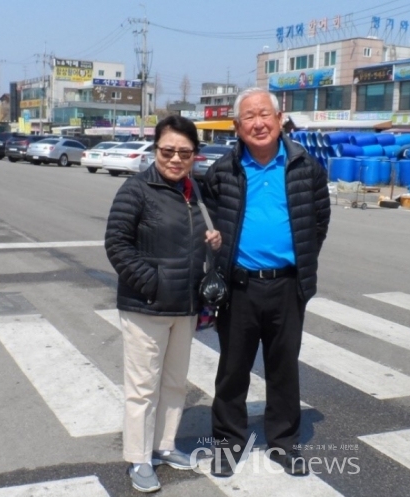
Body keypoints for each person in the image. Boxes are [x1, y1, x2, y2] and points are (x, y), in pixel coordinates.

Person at [203, 87, 330, 477]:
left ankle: (284, 443)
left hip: (288, 286)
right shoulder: (222, 171)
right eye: (248, 117)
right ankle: (227, 444)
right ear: (238, 127)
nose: (258, 123)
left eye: (264, 115)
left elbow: (318, 221)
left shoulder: (306, 167)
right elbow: (212, 215)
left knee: (283, 368)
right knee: (233, 369)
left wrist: (299, 264)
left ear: (279, 119)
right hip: (238, 287)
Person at [105, 115, 221, 493]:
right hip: (146, 306)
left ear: (195, 156)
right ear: (155, 150)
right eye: (167, 150)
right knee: (142, 387)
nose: (175, 159)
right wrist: (151, 285)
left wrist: (213, 243)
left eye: (183, 153)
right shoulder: (136, 190)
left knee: (174, 383)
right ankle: (139, 458)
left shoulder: (197, 193)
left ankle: (165, 446)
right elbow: (117, 246)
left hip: (185, 308)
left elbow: (196, 243)